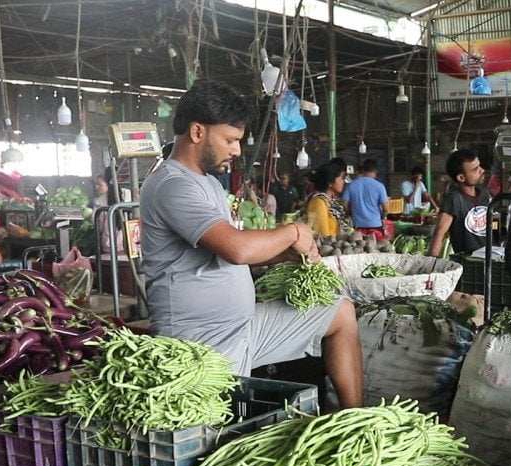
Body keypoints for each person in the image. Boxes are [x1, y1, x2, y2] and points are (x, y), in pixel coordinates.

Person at [139, 80, 362, 406]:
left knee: (341, 313)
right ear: (197, 132)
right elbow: (237, 248)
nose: (237, 150)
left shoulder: (207, 183)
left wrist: (284, 256)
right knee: (213, 433)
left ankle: (357, 419)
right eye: (230, 140)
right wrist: (293, 232)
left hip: (241, 327)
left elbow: (229, 255)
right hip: (200, 340)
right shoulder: (172, 185)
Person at [428, 149, 490, 258]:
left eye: (479, 166)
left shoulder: (484, 193)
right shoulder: (454, 199)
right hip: (468, 262)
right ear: (461, 177)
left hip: (491, 257)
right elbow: (439, 232)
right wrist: (432, 265)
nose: (482, 170)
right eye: (475, 169)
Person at [343, 158, 389, 239]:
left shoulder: (351, 185)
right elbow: (386, 208)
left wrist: (351, 213)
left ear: (363, 170)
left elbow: (344, 204)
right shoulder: (380, 186)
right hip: (375, 226)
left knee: (359, 250)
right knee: (376, 250)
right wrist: (382, 217)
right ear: (375, 171)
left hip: (357, 227)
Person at [304, 162, 348, 237]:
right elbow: (322, 234)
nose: (343, 182)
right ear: (330, 182)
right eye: (342, 178)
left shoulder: (331, 201)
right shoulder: (319, 202)